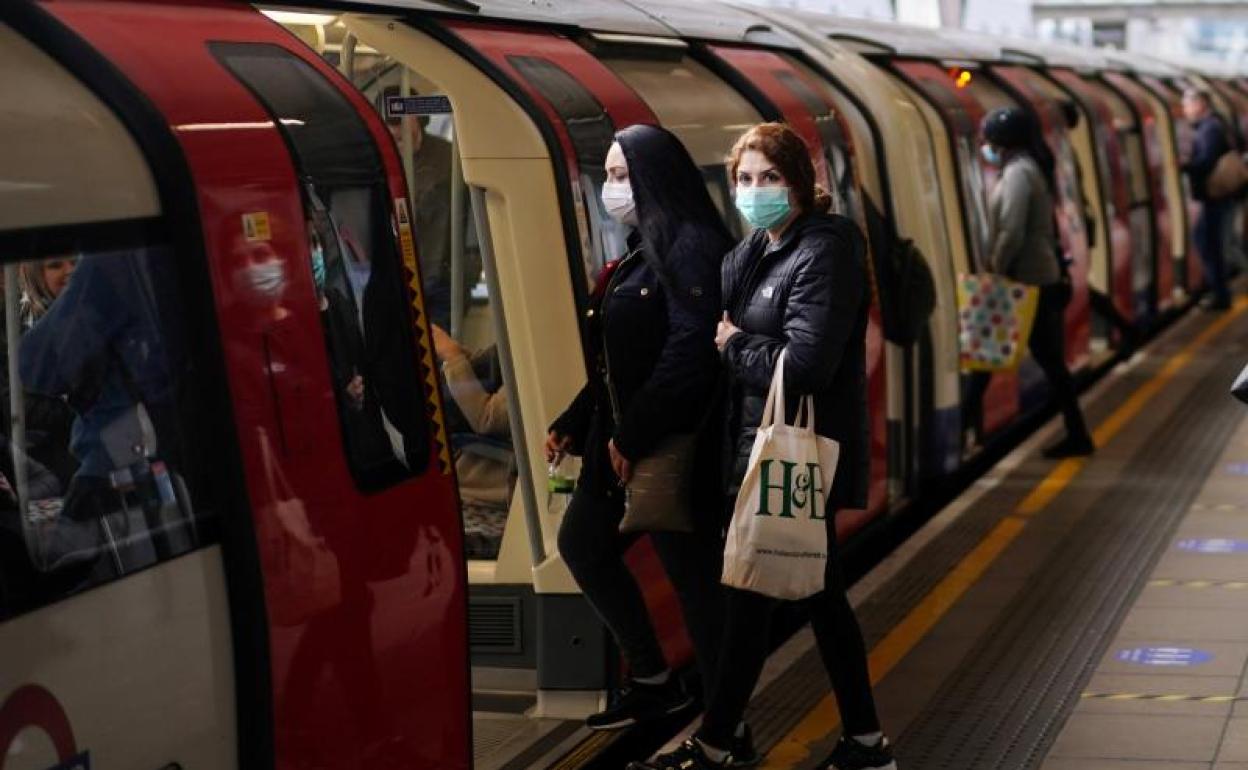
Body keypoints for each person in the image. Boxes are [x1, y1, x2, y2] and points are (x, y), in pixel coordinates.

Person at [633, 123, 894, 770]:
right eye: (745, 180)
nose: (756, 191)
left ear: (799, 183)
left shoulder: (824, 250)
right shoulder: (752, 252)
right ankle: (858, 743)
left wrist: (733, 346)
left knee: (760, 595)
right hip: (758, 452)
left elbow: (806, 366)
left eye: (770, 178)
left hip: (795, 452)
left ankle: (722, 743)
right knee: (802, 596)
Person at [545, 124, 738, 746]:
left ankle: (726, 731)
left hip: (671, 445)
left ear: (657, 179)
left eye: (623, 176)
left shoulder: (690, 248)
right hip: (620, 438)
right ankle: (654, 682)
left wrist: (634, 433)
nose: (611, 188)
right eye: (607, 175)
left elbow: (690, 352)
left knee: (698, 589)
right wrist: (577, 422)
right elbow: (619, 355)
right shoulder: (641, 248)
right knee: (583, 543)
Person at [966, 107, 1094, 459]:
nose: (986, 146)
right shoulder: (1028, 167)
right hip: (1036, 280)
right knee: (1042, 362)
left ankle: (954, 441)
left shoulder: (1020, 173)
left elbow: (1011, 229)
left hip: (1024, 283)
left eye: (989, 139)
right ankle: (1077, 433)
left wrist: (994, 266)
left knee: (985, 359)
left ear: (1003, 141)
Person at [431, 324, 514, 559]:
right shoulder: (527, 339)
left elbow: (488, 418)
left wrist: (453, 356)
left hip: (497, 467)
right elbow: (489, 366)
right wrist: (456, 354)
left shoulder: (539, 352)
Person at [16, 256, 80, 485]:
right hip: (60, 449)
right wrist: (73, 414)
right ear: (36, 276)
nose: (69, 270)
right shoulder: (24, 330)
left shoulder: (97, 313)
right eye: (55, 265)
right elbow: (21, 401)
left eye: (74, 262)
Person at [1181, 87, 1234, 311]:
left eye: (1187, 104)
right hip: (1217, 197)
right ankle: (1219, 292)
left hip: (1215, 196)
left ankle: (1220, 296)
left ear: (1200, 104)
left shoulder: (1209, 129)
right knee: (1209, 241)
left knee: (1207, 242)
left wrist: (1184, 165)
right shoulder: (1213, 125)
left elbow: (1205, 162)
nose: (1185, 110)